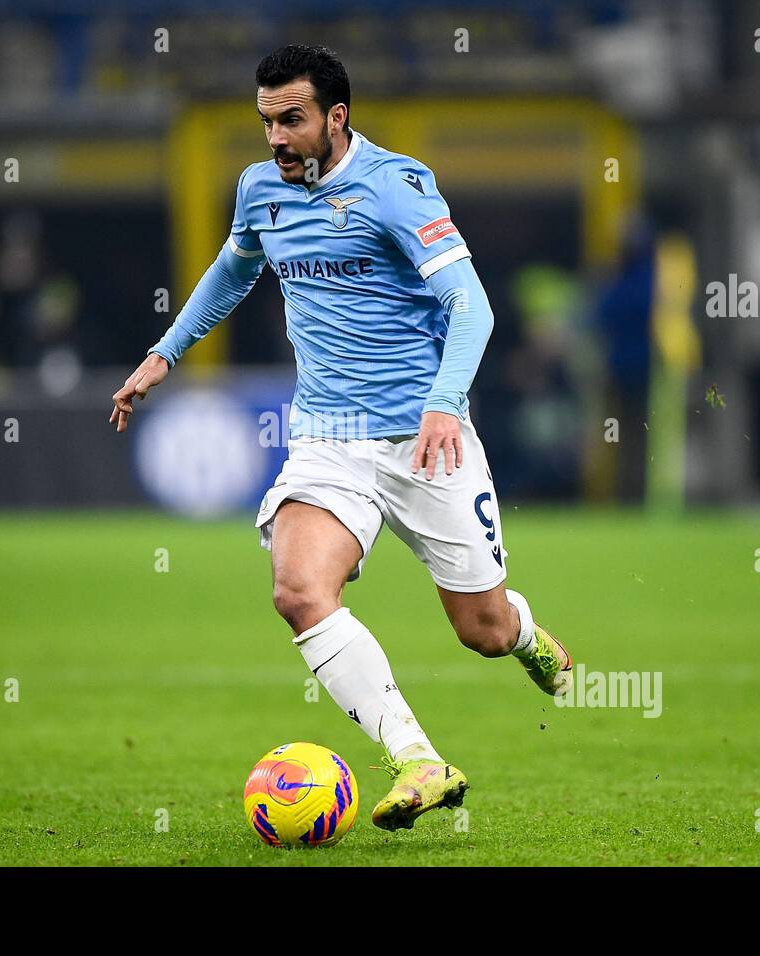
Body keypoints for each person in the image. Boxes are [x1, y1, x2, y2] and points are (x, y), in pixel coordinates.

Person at [110, 44, 572, 831]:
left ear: (336, 118)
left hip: (429, 442)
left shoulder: (397, 187)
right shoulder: (259, 190)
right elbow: (232, 270)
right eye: (266, 123)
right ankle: (418, 759)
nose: (277, 139)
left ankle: (526, 635)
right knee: (297, 590)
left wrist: (442, 400)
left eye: (291, 120)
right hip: (328, 440)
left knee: (483, 632)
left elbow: (473, 305)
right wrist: (165, 354)